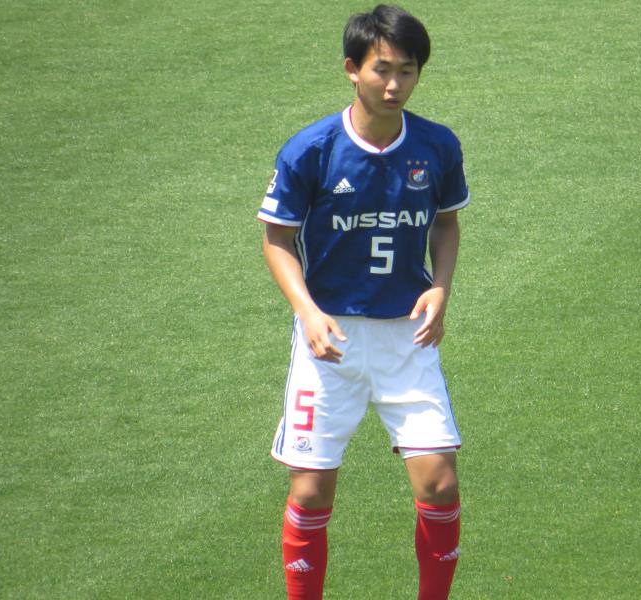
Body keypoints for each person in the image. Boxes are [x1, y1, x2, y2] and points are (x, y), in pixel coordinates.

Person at [257, 5, 469, 598]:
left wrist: (441, 287)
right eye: (382, 69)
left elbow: (446, 223)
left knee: (440, 485)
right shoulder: (312, 149)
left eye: (407, 71)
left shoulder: (437, 145)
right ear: (352, 69)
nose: (394, 84)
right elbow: (276, 240)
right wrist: (307, 312)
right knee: (310, 493)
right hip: (330, 342)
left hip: (408, 337)